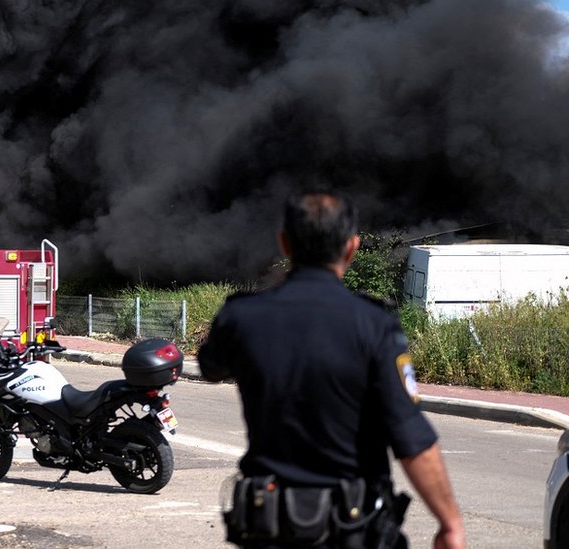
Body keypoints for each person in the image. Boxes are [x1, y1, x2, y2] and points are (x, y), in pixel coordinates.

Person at [198, 191, 465, 549]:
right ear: (352, 247)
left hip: (269, 527)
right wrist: (449, 522)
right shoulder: (374, 324)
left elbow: (211, 366)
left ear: (284, 244)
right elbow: (410, 436)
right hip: (351, 529)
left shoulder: (241, 316)